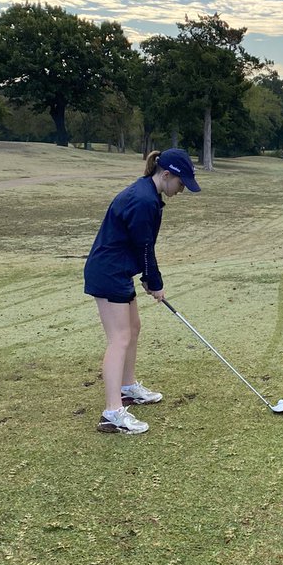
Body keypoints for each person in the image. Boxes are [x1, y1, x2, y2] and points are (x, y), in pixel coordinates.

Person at [84, 147, 200, 434]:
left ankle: (127, 386)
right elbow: (145, 248)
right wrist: (154, 281)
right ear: (166, 175)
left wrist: (149, 279)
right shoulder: (143, 201)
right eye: (181, 183)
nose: (181, 190)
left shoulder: (148, 195)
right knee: (119, 338)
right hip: (108, 272)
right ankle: (112, 412)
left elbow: (142, 247)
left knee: (133, 328)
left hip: (118, 270)